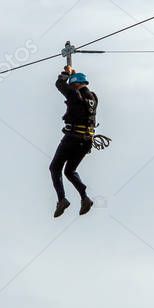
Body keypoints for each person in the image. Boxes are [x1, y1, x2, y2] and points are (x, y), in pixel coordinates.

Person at [50, 65, 97, 217]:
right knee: (70, 171)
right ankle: (85, 198)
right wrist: (75, 77)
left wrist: (66, 73)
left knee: (55, 168)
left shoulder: (74, 94)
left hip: (73, 138)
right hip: (86, 140)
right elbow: (80, 90)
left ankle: (62, 199)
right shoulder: (93, 98)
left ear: (75, 85)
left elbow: (59, 84)